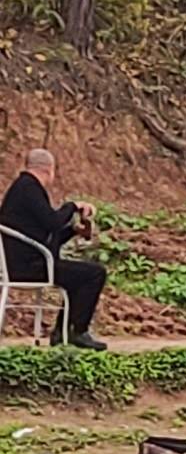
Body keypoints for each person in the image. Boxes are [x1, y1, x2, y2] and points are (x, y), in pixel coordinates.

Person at [1, 147, 108, 350]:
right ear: (49, 170)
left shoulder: (23, 188)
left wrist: (74, 230)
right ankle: (78, 331)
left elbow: (45, 235)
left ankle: (62, 333)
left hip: (27, 261)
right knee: (95, 274)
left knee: (77, 277)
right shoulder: (28, 188)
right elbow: (52, 222)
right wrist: (73, 206)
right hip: (29, 267)